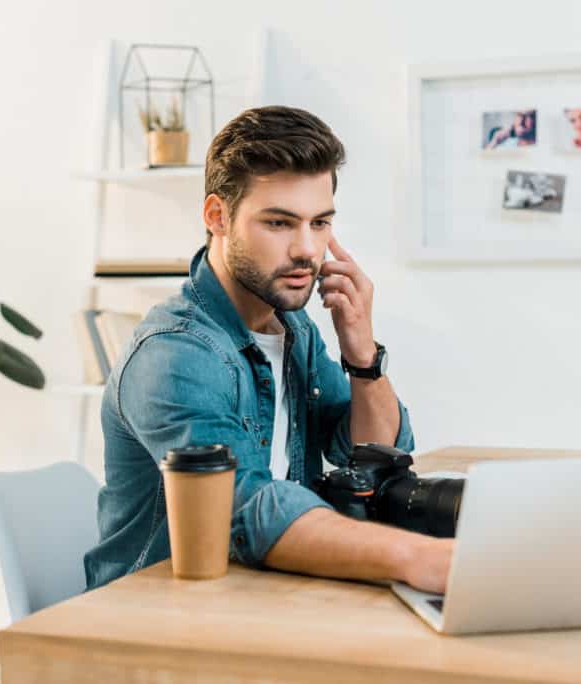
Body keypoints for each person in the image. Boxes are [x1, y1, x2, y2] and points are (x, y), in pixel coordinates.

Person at [84, 106, 452, 594]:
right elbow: (248, 507)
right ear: (218, 216)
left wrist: (362, 355)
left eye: (320, 223)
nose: (306, 249)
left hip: (260, 593)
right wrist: (421, 559)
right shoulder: (176, 355)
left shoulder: (293, 327)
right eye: (279, 223)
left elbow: (374, 455)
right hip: (157, 628)